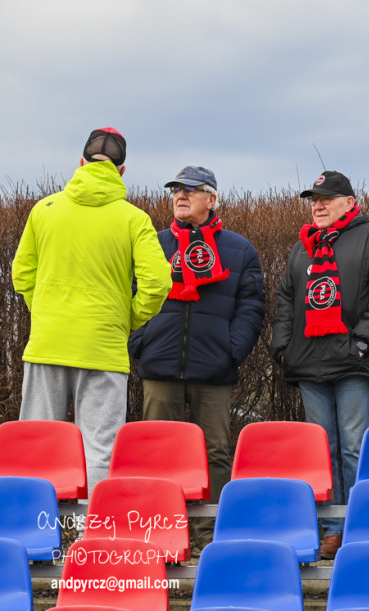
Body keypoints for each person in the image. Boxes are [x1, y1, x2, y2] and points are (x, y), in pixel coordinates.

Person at [12, 127, 171, 492]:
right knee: (99, 450)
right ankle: (92, 536)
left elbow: (21, 273)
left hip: (48, 342)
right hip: (103, 347)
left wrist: (47, 311)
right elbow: (158, 283)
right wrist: (126, 320)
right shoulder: (134, 219)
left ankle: (31, 534)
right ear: (122, 171)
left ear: (81, 162)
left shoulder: (44, 210)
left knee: (35, 444)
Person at [128, 166, 265, 551]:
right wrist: (142, 340)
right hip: (160, 364)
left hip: (214, 369)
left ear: (213, 199)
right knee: (158, 453)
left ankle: (209, 539)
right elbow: (131, 293)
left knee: (216, 454)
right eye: (176, 190)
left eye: (192, 190)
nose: (181, 196)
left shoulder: (239, 249)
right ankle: (159, 537)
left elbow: (252, 306)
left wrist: (231, 350)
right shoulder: (152, 243)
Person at [271, 170, 369, 559]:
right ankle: (332, 529)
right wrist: (282, 347)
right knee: (322, 450)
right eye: (313, 200)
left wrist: (362, 341)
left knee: (354, 446)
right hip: (309, 362)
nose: (318, 205)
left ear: (349, 202)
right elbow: (286, 299)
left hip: (353, 360)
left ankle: (361, 524)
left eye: (326, 198)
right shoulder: (302, 246)